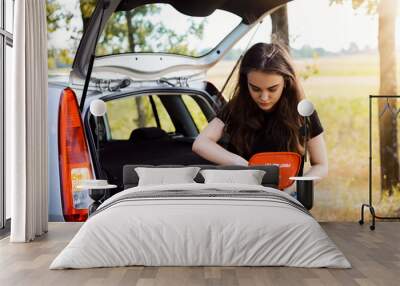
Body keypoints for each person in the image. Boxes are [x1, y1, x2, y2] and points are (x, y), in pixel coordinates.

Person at [192, 42, 328, 192]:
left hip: (287, 195)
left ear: (286, 82)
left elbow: (321, 166)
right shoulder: (236, 108)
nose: (264, 97)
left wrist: (293, 189)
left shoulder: (303, 112)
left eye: (272, 89)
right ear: (245, 82)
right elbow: (201, 143)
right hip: (242, 194)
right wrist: (241, 164)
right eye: (255, 88)